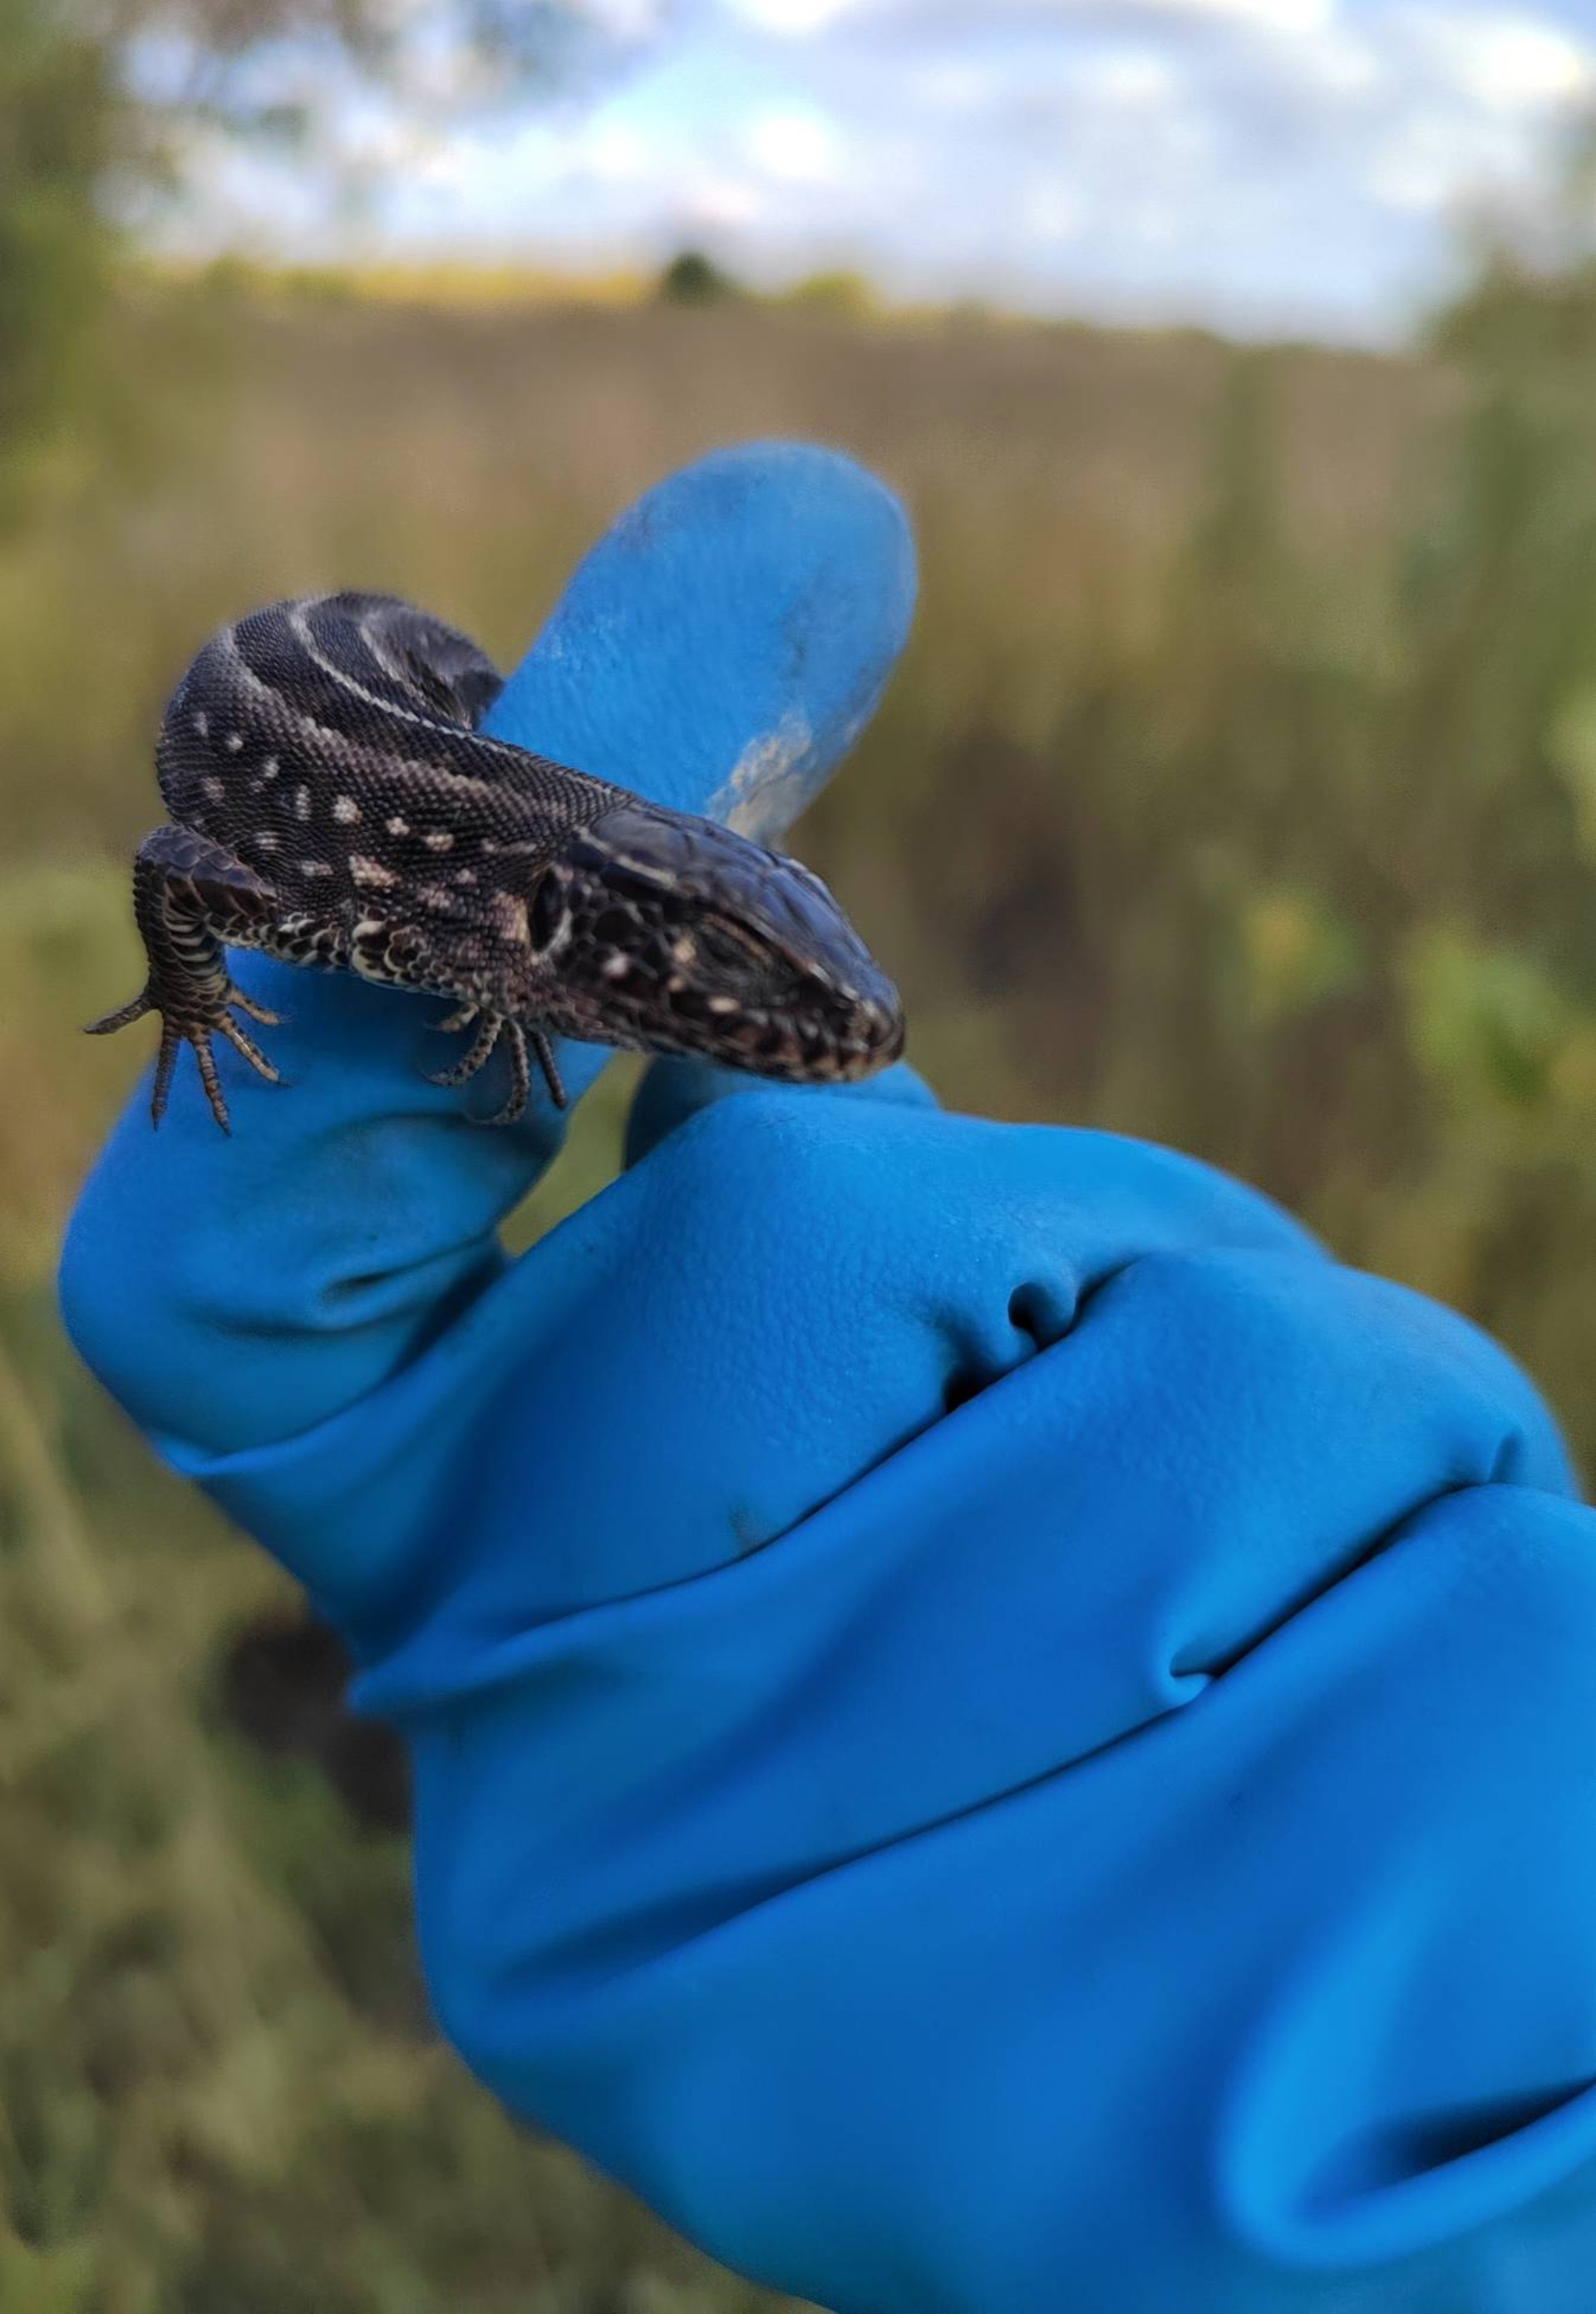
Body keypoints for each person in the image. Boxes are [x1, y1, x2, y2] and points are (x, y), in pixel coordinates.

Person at [58, 444, 1596, 2314]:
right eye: (734, 975)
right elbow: (179, 864)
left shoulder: (502, 901)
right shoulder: (395, 898)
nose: (826, 1023)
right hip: (392, 717)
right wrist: (199, 1003)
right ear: (555, 933)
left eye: (786, 954)